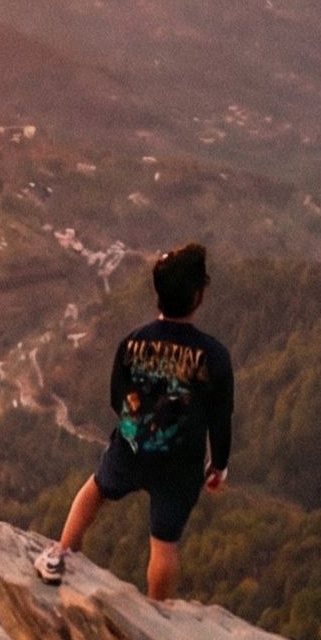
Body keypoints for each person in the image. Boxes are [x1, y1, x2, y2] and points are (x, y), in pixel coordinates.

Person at [36, 241, 232, 601]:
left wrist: (135, 428)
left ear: (158, 294)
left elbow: (117, 397)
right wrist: (217, 465)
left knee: (95, 491)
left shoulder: (132, 343)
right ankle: (155, 610)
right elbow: (221, 417)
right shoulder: (213, 356)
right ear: (199, 296)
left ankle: (60, 554)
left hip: (132, 447)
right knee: (164, 543)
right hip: (180, 462)